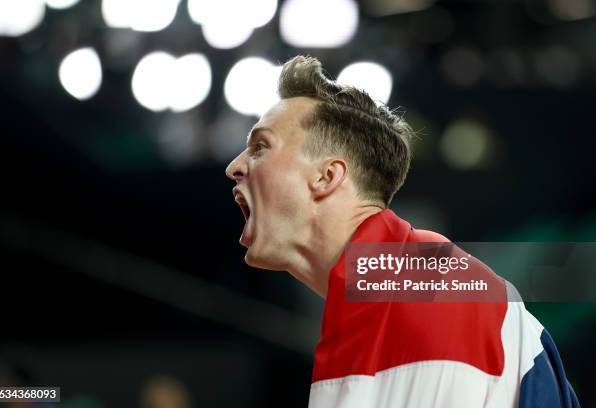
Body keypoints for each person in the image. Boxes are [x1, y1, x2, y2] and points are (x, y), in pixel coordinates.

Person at [225, 55, 579, 407]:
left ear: (327, 177)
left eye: (260, 147)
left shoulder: (425, 288)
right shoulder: (396, 287)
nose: (234, 167)